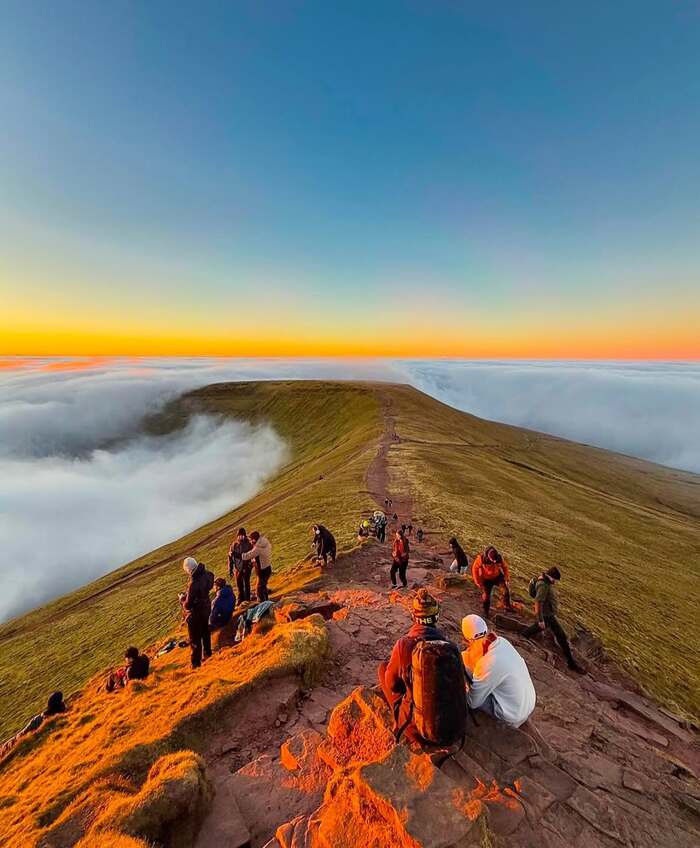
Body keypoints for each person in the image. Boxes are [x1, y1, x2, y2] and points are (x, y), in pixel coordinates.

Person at [378, 590, 466, 744]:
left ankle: (401, 722)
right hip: (452, 727)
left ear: (414, 617)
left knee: (383, 668)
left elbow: (392, 685)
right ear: (436, 617)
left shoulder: (404, 645)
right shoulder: (449, 647)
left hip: (416, 729)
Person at [461, 614, 536, 727]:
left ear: (468, 640)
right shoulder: (501, 641)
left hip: (511, 716)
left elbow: (473, 703)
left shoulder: (487, 663)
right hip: (528, 704)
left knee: (463, 669)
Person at [523, 567, 584, 673]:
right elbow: (538, 602)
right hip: (547, 616)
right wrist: (540, 619)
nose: (554, 582)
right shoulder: (543, 586)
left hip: (547, 615)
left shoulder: (542, 580)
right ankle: (571, 664)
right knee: (561, 637)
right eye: (554, 579)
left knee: (538, 628)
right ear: (550, 576)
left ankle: (523, 635)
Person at [0, 691, 67, 759]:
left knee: (18, 737)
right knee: (18, 737)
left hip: (37, 721)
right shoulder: (50, 715)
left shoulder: (58, 709)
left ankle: (3, 750)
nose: (62, 702)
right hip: (36, 722)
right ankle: (2, 751)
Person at [181, 556, 213, 669]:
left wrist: (182, 599)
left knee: (195, 639)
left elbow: (188, 605)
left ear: (188, 569)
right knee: (205, 632)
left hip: (196, 612)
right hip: (206, 606)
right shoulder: (207, 574)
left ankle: (196, 664)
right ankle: (208, 653)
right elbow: (209, 586)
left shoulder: (193, 583)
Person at [471, 546, 513, 617]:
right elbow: (474, 569)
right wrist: (477, 581)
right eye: (493, 560)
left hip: (497, 577)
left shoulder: (499, 558)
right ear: (488, 556)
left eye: (495, 560)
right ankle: (485, 612)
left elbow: (505, 567)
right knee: (486, 597)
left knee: (505, 591)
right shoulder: (481, 559)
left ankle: (507, 606)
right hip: (486, 579)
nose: (494, 561)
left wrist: (507, 578)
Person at [241, 531, 273, 602]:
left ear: (254, 540)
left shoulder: (258, 548)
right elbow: (260, 556)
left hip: (262, 571)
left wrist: (237, 554)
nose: (250, 542)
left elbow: (247, 556)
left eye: (251, 540)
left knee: (259, 590)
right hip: (267, 567)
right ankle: (266, 602)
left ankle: (263, 606)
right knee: (263, 587)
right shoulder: (265, 543)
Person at [228, 528, 253, 604]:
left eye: (243, 535)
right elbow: (230, 557)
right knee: (239, 585)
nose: (241, 537)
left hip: (246, 567)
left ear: (245, 535)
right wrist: (231, 569)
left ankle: (247, 599)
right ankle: (240, 599)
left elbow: (251, 555)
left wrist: (250, 565)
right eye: (239, 535)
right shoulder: (233, 545)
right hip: (237, 569)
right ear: (237, 536)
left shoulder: (248, 544)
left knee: (246, 583)